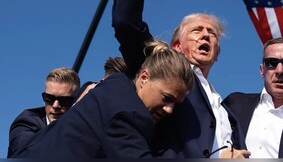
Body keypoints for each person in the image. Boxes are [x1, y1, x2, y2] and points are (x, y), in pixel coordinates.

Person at [112, 0, 250, 159]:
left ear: (217, 54)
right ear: (176, 45)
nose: (206, 35)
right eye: (197, 31)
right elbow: (126, 23)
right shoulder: (163, 70)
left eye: (212, 33)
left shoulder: (226, 109)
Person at [13, 40, 195, 158]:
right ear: (144, 77)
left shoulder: (114, 86)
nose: (169, 109)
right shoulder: (127, 114)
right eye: (166, 98)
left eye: (175, 104)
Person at [7, 67, 80, 158]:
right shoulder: (26, 122)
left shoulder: (83, 126)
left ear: (75, 101)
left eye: (64, 100)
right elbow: (28, 154)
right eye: (49, 98)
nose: (55, 105)